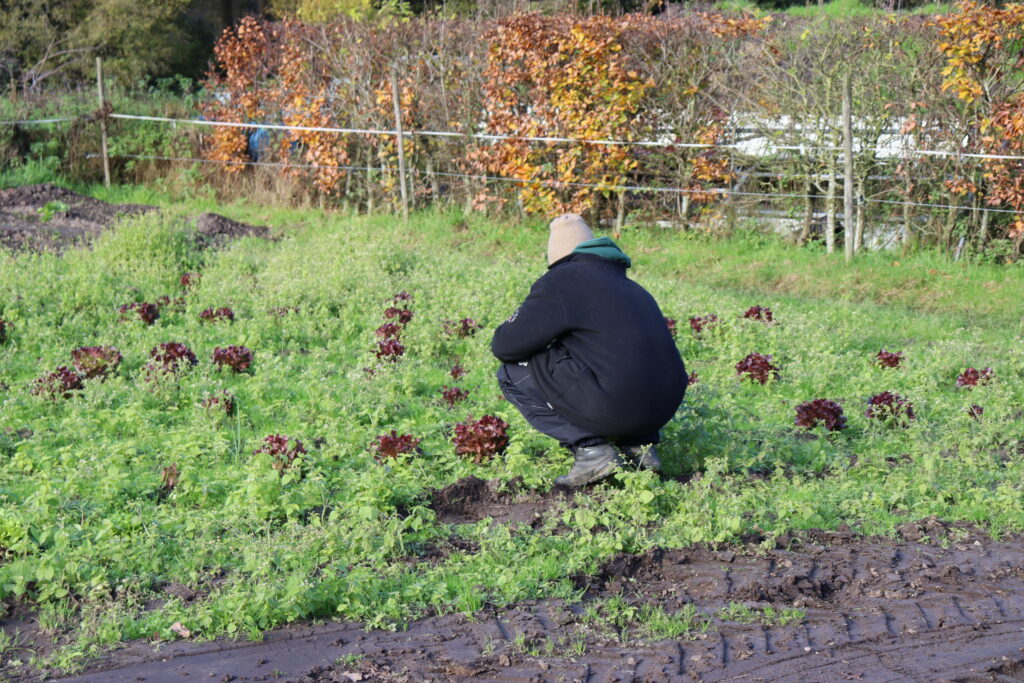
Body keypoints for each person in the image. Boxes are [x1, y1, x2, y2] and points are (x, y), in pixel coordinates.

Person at [492, 213, 688, 488]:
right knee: (611, 359)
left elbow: (506, 345)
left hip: (617, 404)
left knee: (513, 372)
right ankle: (639, 448)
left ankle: (592, 452)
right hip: (664, 406)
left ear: (557, 258)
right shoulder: (633, 287)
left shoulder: (562, 280)